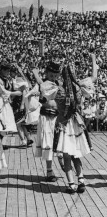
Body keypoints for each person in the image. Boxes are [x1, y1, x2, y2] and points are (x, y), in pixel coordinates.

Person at [53, 63, 91, 194]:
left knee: (66, 156)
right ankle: (81, 181)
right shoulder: (79, 89)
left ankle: (71, 185)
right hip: (76, 124)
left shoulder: (59, 90)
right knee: (76, 155)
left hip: (64, 124)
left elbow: (47, 97)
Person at [34, 61, 60, 183]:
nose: (53, 77)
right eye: (51, 74)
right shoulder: (42, 84)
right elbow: (42, 94)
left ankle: (62, 161)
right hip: (46, 116)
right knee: (48, 142)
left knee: (59, 141)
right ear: (47, 73)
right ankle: (49, 170)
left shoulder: (59, 84)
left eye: (55, 75)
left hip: (57, 117)